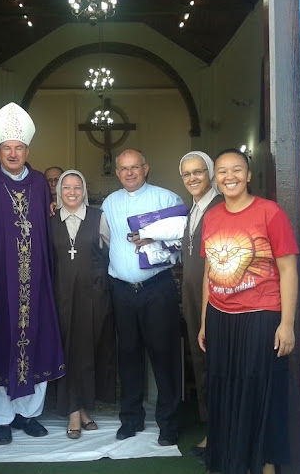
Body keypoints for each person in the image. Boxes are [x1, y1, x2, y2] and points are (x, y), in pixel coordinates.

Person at [198, 148, 298, 474]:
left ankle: (265, 465)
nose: (230, 177)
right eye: (222, 171)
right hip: (220, 317)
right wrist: (204, 321)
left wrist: (287, 324)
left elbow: (288, 270)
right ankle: (232, 462)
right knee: (224, 389)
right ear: (216, 178)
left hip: (261, 316)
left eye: (237, 169)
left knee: (260, 390)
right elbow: (209, 272)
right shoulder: (212, 217)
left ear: (249, 175)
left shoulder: (270, 212)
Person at [0, 102, 65, 445]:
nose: (13, 154)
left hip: (35, 277)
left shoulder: (40, 182)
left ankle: (29, 414)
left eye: (19, 148)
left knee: (36, 338)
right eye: (6, 148)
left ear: (28, 150)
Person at [101, 148, 187, 446]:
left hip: (157, 288)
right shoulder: (110, 202)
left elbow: (185, 238)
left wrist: (153, 238)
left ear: (145, 168)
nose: (129, 173)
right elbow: (105, 238)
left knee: (164, 355)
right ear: (117, 172)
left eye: (135, 167)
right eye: (124, 168)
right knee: (128, 355)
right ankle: (131, 418)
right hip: (122, 290)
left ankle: (169, 423)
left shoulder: (167, 199)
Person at [51, 169, 116, 439]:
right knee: (68, 351)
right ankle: (74, 413)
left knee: (88, 352)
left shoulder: (99, 217)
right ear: (59, 191)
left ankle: (83, 408)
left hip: (93, 297)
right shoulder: (50, 221)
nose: (72, 192)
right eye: (66, 187)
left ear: (84, 191)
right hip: (62, 297)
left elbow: (113, 252)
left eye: (77, 187)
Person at [178, 151, 223, 461]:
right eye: (187, 173)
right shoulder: (194, 208)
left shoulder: (219, 207)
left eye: (198, 172)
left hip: (214, 299)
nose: (192, 178)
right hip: (193, 297)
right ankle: (212, 427)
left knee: (215, 363)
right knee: (201, 360)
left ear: (210, 174)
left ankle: (219, 433)